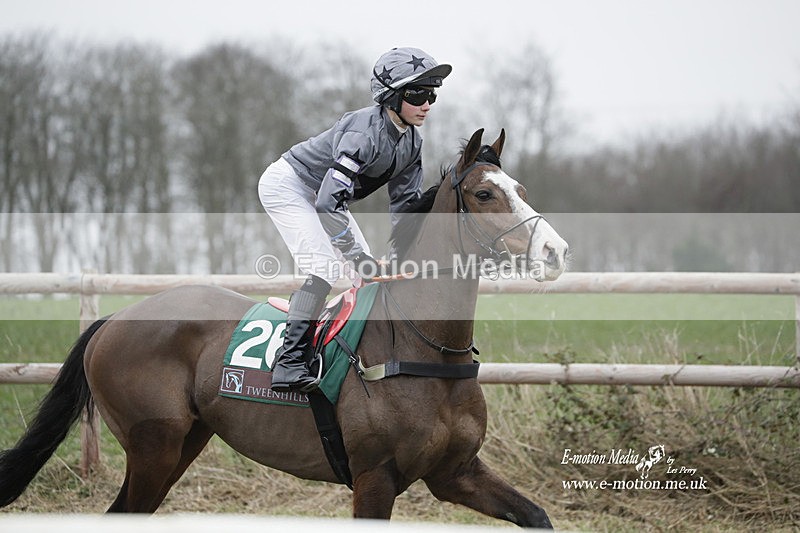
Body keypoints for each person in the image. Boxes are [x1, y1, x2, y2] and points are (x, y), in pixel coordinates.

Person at [258, 47, 451, 392]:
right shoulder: (364, 133)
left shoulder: (412, 143)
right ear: (391, 97)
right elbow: (326, 202)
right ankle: (289, 363)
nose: (427, 104)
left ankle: (351, 356)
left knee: (368, 278)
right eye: (418, 94)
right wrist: (355, 255)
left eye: (432, 95)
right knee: (325, 268)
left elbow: (405, 207)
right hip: (290, 185)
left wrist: (404, 255)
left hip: (326, 197)